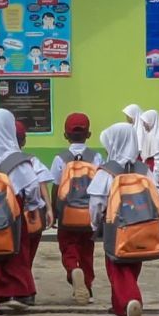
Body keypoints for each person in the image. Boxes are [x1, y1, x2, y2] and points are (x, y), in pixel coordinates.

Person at [89, 123, 159, 316]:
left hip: (117, 229)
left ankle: (131, 301)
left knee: (117, 268)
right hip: (143, 227)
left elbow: (96, 203)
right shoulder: (143, 169)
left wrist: (93, 224)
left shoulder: (107, 171)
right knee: (133, 266)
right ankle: (120, 307)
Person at [0, 109, 45, 316]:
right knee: (16, 253)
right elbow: (32, 188)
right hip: (12, 216)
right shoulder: (17, 160)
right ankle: (15, 293)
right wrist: (34, 205)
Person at [49, 112, 103, 305]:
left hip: (67, 214)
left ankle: (73, 270)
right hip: (88, 214)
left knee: (68, 247)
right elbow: (100, 187)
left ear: (65, 135)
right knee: (87, 251)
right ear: (89, 134)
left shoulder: (60, 159)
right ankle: (87, 286)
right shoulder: (96, 157)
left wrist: (55, 212)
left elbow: (56, 187)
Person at [16, 119, 55, 307]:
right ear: (24, 141)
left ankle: (14, 289)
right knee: (27, 255)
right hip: (31, 215)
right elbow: (41, 184)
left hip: (2, 216)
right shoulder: (30, 160)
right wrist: (48, 208)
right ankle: (24, 288)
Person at [138, 109, 159, 198]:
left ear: (151, 122)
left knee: (157, 196)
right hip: (148, 170)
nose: (143, 125)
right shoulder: (148, 135)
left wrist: (155, 181)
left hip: (155, 172)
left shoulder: (157, 138)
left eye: (145, 122)